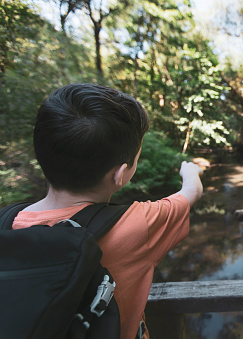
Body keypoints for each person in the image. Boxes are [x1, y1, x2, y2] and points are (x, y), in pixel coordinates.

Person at [11, 83, 204, 339]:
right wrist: (191, 171)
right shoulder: (137, 225)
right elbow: (191, 193)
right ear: (121, 174)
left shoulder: (7, 223)